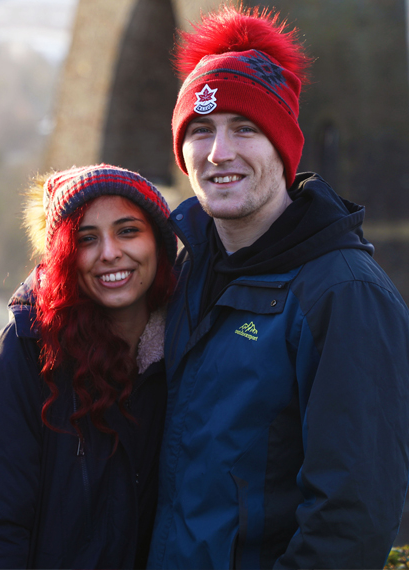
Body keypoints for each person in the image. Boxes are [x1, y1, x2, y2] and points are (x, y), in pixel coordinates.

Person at [147, 5, 409, 570]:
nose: (220, 153)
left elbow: (351, 519)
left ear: (285, 148)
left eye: (246, 128)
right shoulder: (185, 271)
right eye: (201, 130)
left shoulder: (343, 296)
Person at [0, 164, 177, 569]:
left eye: (128, 230)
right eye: (87, 238)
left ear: (160, 241)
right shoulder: (31, 348)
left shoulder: (188, 352)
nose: (110, 252)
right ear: (66, 256)